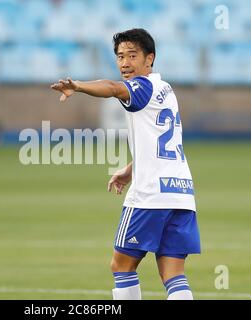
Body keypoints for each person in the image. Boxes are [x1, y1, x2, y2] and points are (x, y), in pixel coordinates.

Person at [51, 28, 201, 300]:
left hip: (150, 197)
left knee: (121, 266)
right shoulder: (166, 89)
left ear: (149, 59)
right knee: (173, 274)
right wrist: (132, 169)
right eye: (120, 56)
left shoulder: (141, 87)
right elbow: (161, 143)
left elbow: (112, 88)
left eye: (132, 55)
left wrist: (79, 86)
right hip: (180, 193)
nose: (125, 63)